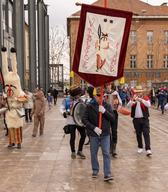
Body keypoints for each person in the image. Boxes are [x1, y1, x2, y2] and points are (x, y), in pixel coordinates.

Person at [82, 86, 115, 182]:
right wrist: (94, 128)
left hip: (105, 133)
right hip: (93, 134)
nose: (100, 98)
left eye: (101, 96)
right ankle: (95, 170)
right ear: (94, 96)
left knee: (106, 153)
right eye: (98, 96)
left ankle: (107, 173)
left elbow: (112, 119)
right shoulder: (89, 106)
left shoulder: (107, 106)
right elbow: (84, 119)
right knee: (93, 153)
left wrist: (105, 112)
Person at [60, 86, 86, 159]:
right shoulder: (67, 100)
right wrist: (64, 113)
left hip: (79, 121)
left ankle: (80, 150)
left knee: (83, 135)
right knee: (73, 137)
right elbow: (62, 108)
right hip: (71, 121)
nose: (79, 95)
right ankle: (73, 151)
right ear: (75, 94)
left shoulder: (81, 100)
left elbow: (84, 108)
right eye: (78, 94)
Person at [127, 86, 152, 156]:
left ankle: (148, 149)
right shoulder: (133, 98)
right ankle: (140, 147)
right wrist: (133, 100)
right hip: (136, 119)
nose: (138, 93)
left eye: (140, 92)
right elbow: (128, 105)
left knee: (146, 133)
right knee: (138, 134)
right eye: (137, 92)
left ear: (142, 92)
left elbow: (149, 105)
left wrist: (141, 100)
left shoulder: (145, 98)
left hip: (144, 119)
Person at [105, 83, 122, 157]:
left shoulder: (115, 93)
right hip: (106, 113)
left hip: (114, 113)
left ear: (111, 86)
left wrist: (117, 108)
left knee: (114, 130)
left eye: (109, 85)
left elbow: (120, 103)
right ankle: (109, 147)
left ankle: (114, 148)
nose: (108, 86)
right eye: (107, 85)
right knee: (107, 130)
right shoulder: (104, 94)